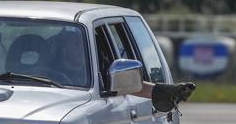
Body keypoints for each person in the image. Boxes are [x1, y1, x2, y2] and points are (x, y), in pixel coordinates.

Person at [56, 30, 196, 112]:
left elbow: (132, 85)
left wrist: (168, 92)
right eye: (74, 43)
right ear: (63, 48)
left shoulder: (104, 73)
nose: (81, 49)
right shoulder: (44, 73)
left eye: (83, 44)